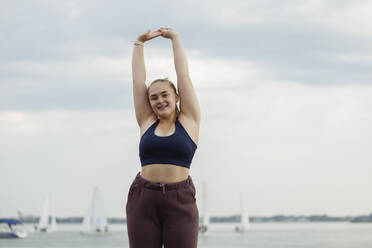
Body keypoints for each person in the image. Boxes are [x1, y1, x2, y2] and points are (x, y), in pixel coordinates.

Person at [126, 27, 201, 248]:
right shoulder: (146, 121)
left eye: (165, 94)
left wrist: (175, 39)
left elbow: (183, 75)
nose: (160, 100)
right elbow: (138, 83)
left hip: (180, 201)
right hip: (143, 199)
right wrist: (138, 44)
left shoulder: (189, 121)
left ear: (177, 96)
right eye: (154, 97)